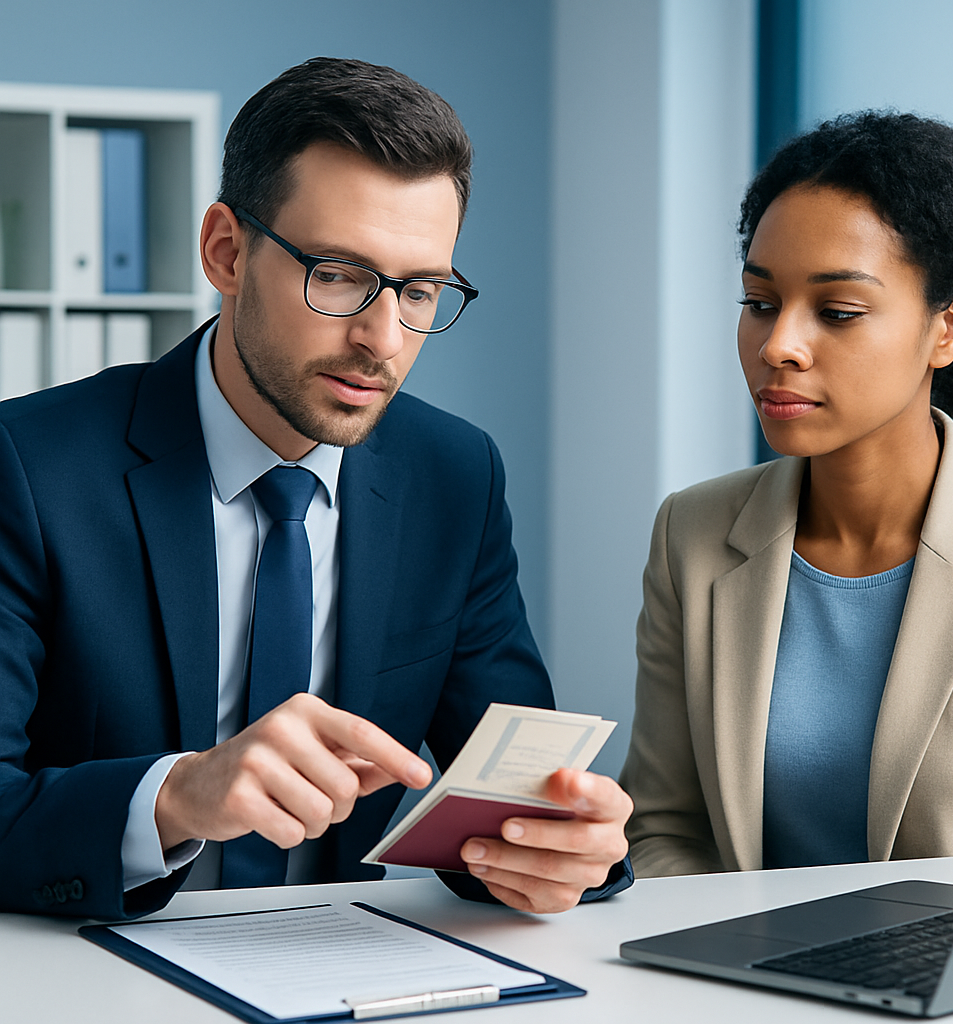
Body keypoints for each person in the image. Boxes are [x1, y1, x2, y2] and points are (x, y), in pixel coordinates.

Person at [0, 57, 632, 919]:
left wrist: (563, 850)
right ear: (227, 251)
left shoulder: (456, 475)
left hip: (347, 972)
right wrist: (179, 795)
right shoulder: (28, 467)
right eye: (337, 275)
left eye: (419, 290)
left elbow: (512, 795)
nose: (384, 338)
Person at [621, 111, 953, 878]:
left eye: (837, 312)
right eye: (760, 303)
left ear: (950, 328)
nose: (778, 346)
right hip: (746, 983)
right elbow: (664, 825)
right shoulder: (694, 532)